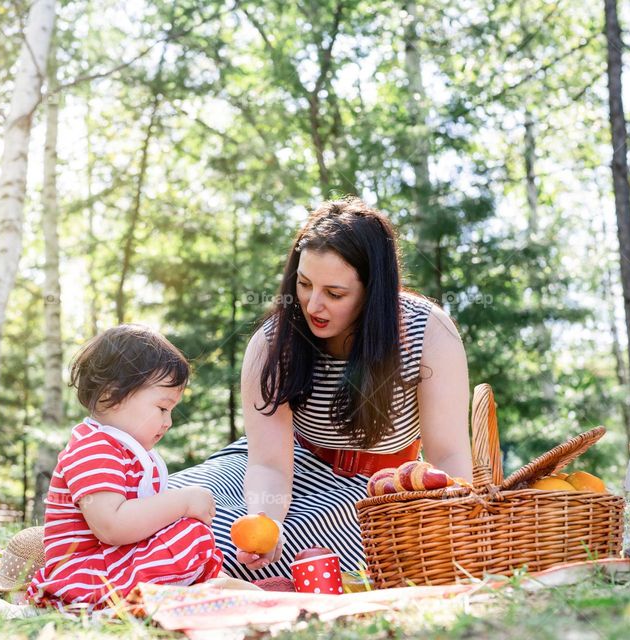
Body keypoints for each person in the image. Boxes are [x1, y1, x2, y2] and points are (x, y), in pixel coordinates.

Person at [169, 198, 473, 580]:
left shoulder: (428, 333)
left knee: (221, 556)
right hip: (278, 468)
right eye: (304, 284)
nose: (313, 305)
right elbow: (268, 464)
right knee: (168, 509)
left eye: (335, 293)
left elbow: (448, 454)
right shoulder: (272, 343)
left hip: (373, 491)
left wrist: (456, 526)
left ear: (373, 291)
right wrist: (264, 521)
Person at [26, 325, 223, 612]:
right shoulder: (93, 448)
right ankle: (173, 591)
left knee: (192, 534)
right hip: (86, 575)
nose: (168, 422)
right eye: (162, 408)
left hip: (114, 564)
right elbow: (112, 527)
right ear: (111, 395)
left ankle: (190, 587)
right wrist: (182, 502)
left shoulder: (128, 451)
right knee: (190, 536)